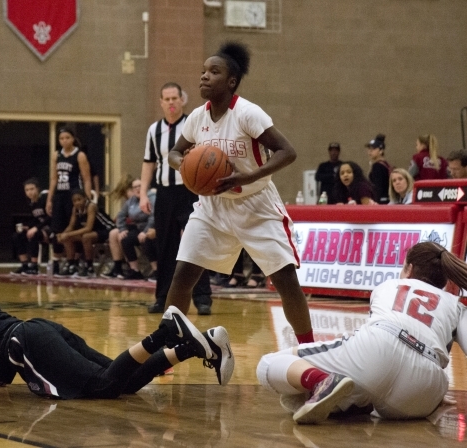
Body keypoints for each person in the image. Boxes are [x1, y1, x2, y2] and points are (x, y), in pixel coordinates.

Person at [0, 275, 235, 401]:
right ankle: (193, 344)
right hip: (36, 329)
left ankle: (165, 333)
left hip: (23, 341)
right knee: (123, 379)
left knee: (103, 387)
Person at [165, 42, 314, 343]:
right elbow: (174, 152)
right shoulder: (197, 117)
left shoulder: (248, 113)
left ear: (231, 81)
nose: (204, 76)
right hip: (212, 207)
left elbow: (287, 152)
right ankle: (166, 348)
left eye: (214, 72)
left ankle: (310, 347)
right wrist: (183, 164)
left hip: (256, 205)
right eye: (203, 71)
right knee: (182, 276)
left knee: (286, 280)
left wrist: (249, 176)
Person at [256, 242, 467, 424]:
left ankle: (319, 381)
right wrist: (435, 392)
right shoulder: (457, 306)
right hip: (425, 391)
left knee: (267, 364)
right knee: (369, 387)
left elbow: (377, 355)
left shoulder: (389, 285)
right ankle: (353, 402)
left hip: (379, 350)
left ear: (409, 269)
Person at [139, 82, 213, 315]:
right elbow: (149, 162)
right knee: (165, 247)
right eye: (166, 99)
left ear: (183, 100)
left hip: (191, 192)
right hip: (164, 193)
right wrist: (143, 192)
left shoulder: (195, 125)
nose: (171, 102)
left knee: (197, 243)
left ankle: (202, 298)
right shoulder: (154, 130)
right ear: (161, 102)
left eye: (174, 98)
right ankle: (163, 298)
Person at [46, 127, 93, 276]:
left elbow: (86, 179)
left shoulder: (79, 155)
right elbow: (54, 179)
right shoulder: (56, 155)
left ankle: (75, 261)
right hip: (60, 195)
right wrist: (49, 199)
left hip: (74, 195)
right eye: (61, 138)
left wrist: (87, 198)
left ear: (72, 139)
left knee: (72, 229)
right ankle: (60, 262)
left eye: (67, 137)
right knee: (58, 230)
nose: (64, 141)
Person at [56, 190, 116, 278]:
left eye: (79, 199)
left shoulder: (91, 206)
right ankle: (72, 265)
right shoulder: (75, 209)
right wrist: (62, 234)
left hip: (108, 230)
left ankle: (89, 267)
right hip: (94, 232)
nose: (77, 202)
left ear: (85, 198)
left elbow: (88, 228)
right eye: (74, 201)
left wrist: (69, 234)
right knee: (66, 238)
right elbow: (71, 226)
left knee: (86, 237)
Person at [11, 178, 59, 276]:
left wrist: (36, 228)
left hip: (52, 227)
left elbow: (50, 217)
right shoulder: (32, 203)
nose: (29, 192)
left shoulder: (45, 198)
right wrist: (27, 227)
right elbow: (36, 219)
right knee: (17, 235)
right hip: (41, 228)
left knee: (34, 234)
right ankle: (24, 265)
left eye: (32, 189)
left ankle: (34, 266)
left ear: (38, 189)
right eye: (27, 190)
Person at [365, 134, 392, 204]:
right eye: (369, 149)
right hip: (387, 199)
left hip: (380, 201)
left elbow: (378, 187)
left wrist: (376, 201)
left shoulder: (377, 166)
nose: (369, 152)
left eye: (373, 149)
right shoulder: (386, 164)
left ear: (381, 151)